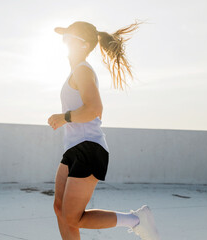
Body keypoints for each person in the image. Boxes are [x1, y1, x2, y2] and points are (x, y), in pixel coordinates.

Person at [47, 20, 160, 240]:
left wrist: (64, 118)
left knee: (72, 216)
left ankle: (136, 219)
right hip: (73, 147)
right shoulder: (77, 72)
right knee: (60, 210)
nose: (64, 42)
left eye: (69, 38)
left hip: (88, 148)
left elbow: (95, 108)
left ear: (83, 45)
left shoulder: (82, 70)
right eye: (64, 38)